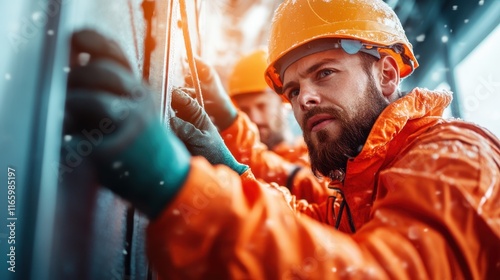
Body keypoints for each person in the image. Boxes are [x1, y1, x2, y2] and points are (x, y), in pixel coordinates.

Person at [64, 0, 500, 279]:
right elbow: (311, 224)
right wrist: (231, 172)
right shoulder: (360, 179)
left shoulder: (457, 158)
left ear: (387, 74)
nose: (304, 98)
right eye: (292, 90)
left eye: (324, 72)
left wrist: (181, 187)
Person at [189, 49, 329, 203]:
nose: (254, 118)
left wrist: (228, 119)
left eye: (261, 106)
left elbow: (311, 188)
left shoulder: (316, 157)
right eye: (244, 110)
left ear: (284, 103)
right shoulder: (227, 151)